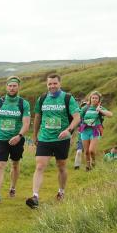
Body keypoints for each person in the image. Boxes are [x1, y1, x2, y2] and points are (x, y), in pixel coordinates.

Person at [26, 73, 81, 208]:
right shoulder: (42, 98)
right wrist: (35, 135)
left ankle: (61, 191)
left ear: (59, 84)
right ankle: (35, 197)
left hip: (62, 138)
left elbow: (77, 118)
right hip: (45, 138)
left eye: (55, 83)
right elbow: (37, 117)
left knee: (61, 166)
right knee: (39, 166)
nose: (52, 86)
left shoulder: (68, 98)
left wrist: (68, 130)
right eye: (50, 84)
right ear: (47, 85)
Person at [0, 76, 30, 203]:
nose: (12, 88)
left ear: (18, 87)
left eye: (14, 86)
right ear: (6, 87)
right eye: (10, 86)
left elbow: (26, 124)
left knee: (15, 164)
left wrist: (19, 136)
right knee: (0, 165)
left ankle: (12, 187)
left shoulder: (23, 104)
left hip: (17, 139)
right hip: (1, 138)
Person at [78, 91, 113, 170]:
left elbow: (110, 114)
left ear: (99, 100)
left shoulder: (100, 108)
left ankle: (93, 161)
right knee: (86, 151)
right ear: (90, 99)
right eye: (93, 98)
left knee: (91, 151)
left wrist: (100, 110)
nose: (94, 99)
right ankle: (88, 166)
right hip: (85, 131)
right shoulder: (85, 108)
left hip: (95, 131)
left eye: (96, 98)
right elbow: (78, 117)